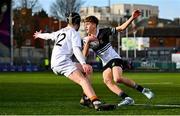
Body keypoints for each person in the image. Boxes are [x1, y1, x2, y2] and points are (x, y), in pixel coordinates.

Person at [33, 12, 115, 111]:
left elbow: (49, 36)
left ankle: (86, 99)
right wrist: (83, 63)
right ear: (78, 22)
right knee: (83, 80)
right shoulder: (74, 33)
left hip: (58, 62)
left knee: (89, 70)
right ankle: (96, 102)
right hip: (62, 62)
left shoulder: (61, 31)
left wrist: (39, 35)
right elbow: (76, 50)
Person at [82, 10, 154, 106]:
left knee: (117, 79)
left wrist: (132, 17)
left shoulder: (104, 32)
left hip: (114, 58)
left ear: (94, 25)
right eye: (84, 24)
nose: (85, 26)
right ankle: (127, 98)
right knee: (107, 81)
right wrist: (87, 43)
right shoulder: (86, 39)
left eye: (87, 24)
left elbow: (121, 28)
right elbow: (84, 55)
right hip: (105, 62)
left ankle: (144, 90)